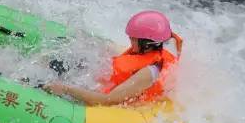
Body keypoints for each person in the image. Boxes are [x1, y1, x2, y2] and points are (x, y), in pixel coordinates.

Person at [44, 11, 182, 106]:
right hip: (99, 82)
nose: (130, 42)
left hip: (104, 99)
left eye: (133, 39)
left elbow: (107, 100)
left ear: (146, 43)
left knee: (48, 83)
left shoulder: (148, 72)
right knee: (60, 63)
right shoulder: (146, 53)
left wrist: (66, 89)